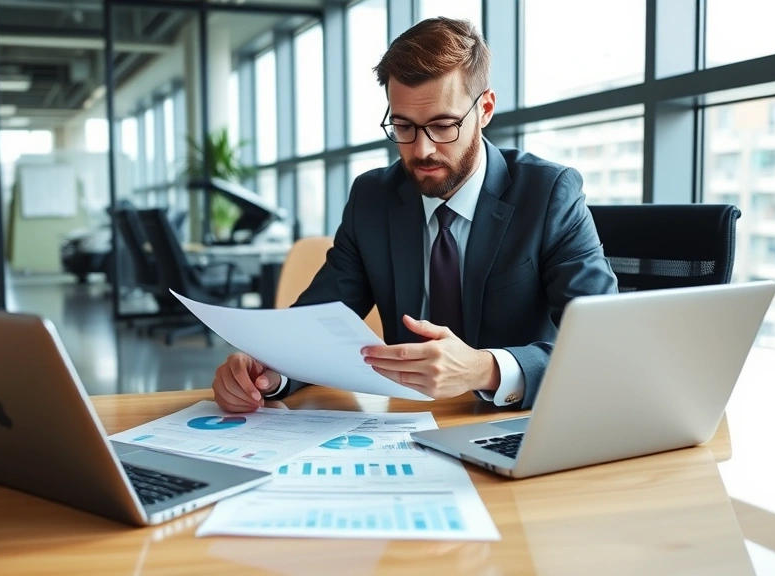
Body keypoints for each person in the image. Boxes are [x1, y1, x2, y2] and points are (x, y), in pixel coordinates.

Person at [211, 17, 617, 413]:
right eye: (403, 126)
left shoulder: (548, 194)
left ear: (486, 109)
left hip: (519, 422)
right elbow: (316, 324)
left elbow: (603, 343)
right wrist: (267, 370)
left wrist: (486, 369)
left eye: (443, 126)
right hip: (403, 423)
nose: (421, 150)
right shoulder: (373, 197)